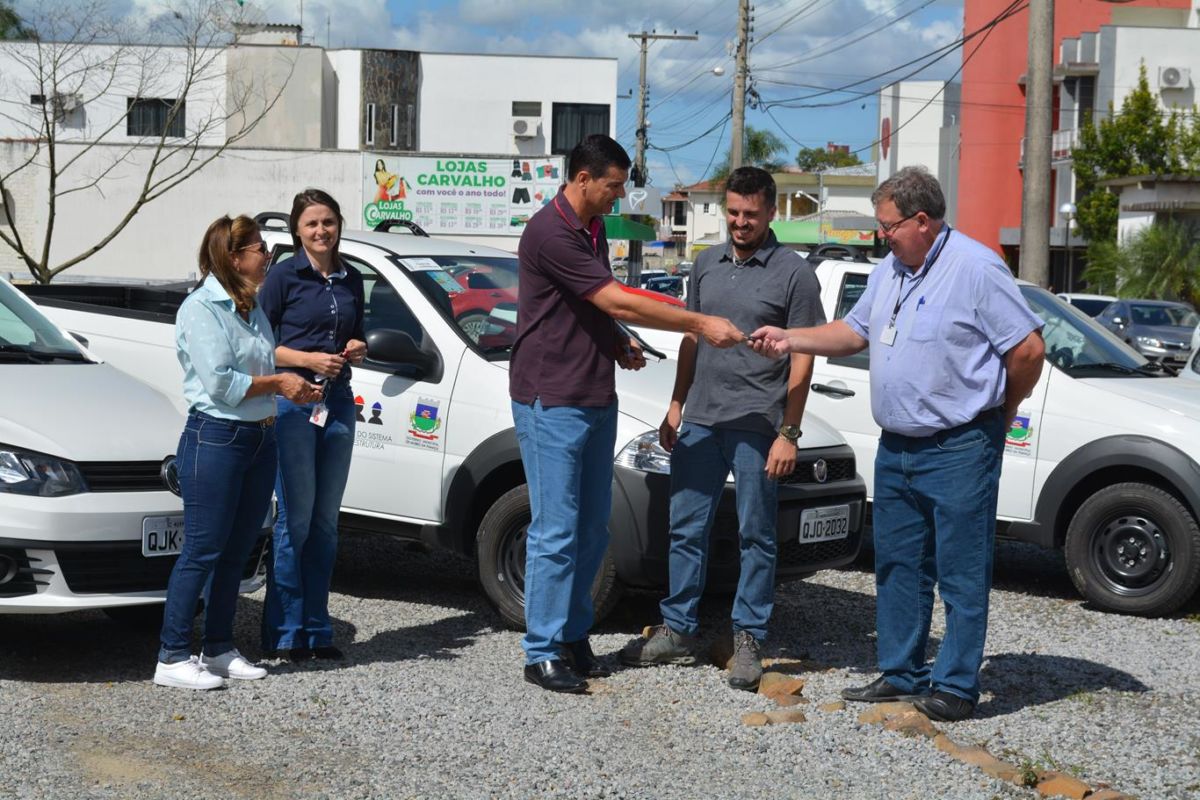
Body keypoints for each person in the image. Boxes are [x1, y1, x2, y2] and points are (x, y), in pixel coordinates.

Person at [748, 166, 1045, 721]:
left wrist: (1002, 412)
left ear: (923, 221)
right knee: (898, 566)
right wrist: (791, 338)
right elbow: (855, 332)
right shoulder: (891, 269)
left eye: (889, 226)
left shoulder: (976, 268)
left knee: (960, 570)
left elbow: (1027, 350)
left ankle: (956, 686)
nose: (882, 235)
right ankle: (902, 673)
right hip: (898, 449)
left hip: (959, 446)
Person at [511, 133, 745, 693]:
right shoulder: (550, 231)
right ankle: (541, 651)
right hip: (552, 399)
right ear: (583, 178)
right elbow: (612, 296)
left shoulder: (591, 229)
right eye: (613, 186)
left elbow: (589, 308)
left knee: (591, 529)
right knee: (554, 531)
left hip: (593, 393)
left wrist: (617, 341)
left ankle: (571, 635)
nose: (619, 197)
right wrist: (696, 322)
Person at [618, 167, 825, 691]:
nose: (739, 222)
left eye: (750, 214)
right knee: (686, 527)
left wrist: (790, 432)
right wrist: (675, 405)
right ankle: (679, 629)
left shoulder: (794, 274)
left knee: (757, 533)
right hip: (702, 421)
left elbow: (803, 357)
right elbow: (691, 337)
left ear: (771, 213)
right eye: (733, 212)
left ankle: (748, 638)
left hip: (759, 424)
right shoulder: (705, 263)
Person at [155, 215, 321, 690]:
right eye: (258, 248)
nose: (267, 255)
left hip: (260, 436)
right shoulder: (201, 308)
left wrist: (293, 385)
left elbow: (264, 364)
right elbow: (222, 384)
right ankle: (172, 655)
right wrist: (280, 383)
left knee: (238, 549)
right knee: (202, 549)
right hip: (216, 437)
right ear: (233, 257)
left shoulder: (250, 305)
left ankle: (219, 648)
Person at [259, 189, 367, 662]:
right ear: (297, 232)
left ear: (338, 224)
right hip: (294, 404)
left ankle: (317, 630)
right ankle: (285, 633)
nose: (321, 231)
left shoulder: (353, 278)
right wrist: (305, 359)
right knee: (296, 521)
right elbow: (258, 343)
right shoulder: (283, 276)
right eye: (311, 224)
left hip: (337, 404)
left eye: (328, 222)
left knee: (326, 523)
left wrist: (357, 346)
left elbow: (357, 331)